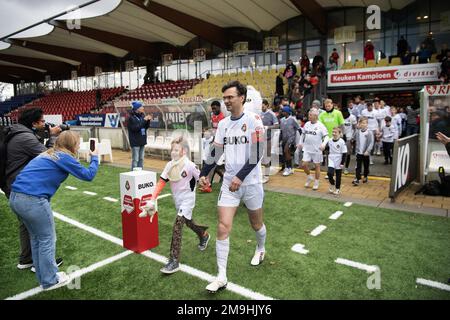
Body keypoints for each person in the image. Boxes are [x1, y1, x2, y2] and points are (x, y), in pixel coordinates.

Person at [198, 81, 266, 293]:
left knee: (256, 225)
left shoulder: (255, 121)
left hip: (251, 182)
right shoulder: (224, 125)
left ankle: (261, 248)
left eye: (230, 97)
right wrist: (203, 174)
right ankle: (221, 276)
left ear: (242, 98)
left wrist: (241, 176)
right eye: (224, 97)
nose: (226, 101)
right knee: (222, 226)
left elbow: (258, 154)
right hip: (229, 183)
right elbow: (215, 153)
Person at [9, 131, 99, 290]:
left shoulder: (48, 153)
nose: (79, 146)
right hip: (32, 200)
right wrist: (95, 157)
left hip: (15, 197)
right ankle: (50, 280)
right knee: (47, 239)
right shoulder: (64, 157)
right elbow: (88, 175)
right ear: (72, 144)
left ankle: (44, 277)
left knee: (37, 239)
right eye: (78, 143)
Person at [140, 136, 210, 274]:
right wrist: (152, 199)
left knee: (177, 225)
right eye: (172, 149)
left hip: (188, 199)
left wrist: (204, 182)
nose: (173, 152)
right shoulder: (170, 165)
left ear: (183, 151)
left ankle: (174, 261)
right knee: (189, 223)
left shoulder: (190, 166)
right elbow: (161, 182)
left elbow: (201, 179)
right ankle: (203, 235)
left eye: (176, 149)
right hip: (178, 201)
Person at [4, 107, 63, 272]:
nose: (45, 124)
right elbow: (50, 155)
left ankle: (26, 259)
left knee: (25, 224)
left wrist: (46, 133)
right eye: (42, 121)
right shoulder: (25, 137)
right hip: (23, 189)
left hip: (13, 185)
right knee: (42, 230)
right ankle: (42, 265)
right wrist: (52, 136)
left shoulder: (17, 132)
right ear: (33, 123)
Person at [298, 109, 329, 191]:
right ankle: (309, 177)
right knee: (304, 165)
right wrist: (300, 142)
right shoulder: (307, 124)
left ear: (315, 116)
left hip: (317, 150)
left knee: (317, 166)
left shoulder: (321, 125)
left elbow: (326, 136)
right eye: (309, 114)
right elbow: (303, 134)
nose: (309, 116)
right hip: (307, 149)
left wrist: (323, 144)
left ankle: (316, 181)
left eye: (310, 115)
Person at [128, 101, 152, 170]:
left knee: (141, 158)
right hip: (135, 142)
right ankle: (133, 174)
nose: (143, 108)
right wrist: (144, 120)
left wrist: (148, 121)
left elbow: (145, 127)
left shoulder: (142, 116)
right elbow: (136, 128)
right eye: (141, 107)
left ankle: (140, 173)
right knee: (135, 159)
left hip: (142, 141)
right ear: (137, 108)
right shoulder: (131, 118)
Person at [260, 99, 279, 183]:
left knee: (266, 157)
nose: (261, 107)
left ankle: (266, 176)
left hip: (268, 138)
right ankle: (260, 175)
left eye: (263, 106)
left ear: (267, 106)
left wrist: (268, 127)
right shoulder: (259, 113)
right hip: (258, 139)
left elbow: (277, 125)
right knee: (258, 158)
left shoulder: (271, 114)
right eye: (261, 106)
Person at [325, 127, 347, 195]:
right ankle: (332, 183)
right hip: (331, 157)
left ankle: (337, 189)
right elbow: (327, 148)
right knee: (329, 173)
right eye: (333, 132)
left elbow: (344, 153)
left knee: (338, 175)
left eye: (335, 132)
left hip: (339, 158)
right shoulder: (330, 140)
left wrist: (342, 163)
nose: (334, 133)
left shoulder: (341, 142)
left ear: (339, 134)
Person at [352, 117, 374, 186]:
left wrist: (368, 151)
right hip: (359, 152)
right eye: (362, 123)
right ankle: (357, 179)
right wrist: (357, 128)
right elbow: (354, 137)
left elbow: (371, 142)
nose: (363, 124)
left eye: (365, 123)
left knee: (366, 166)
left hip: (366, 153)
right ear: (360, 124)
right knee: (358, 166)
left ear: (367, 124)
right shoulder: (358, 132)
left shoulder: (369, 132)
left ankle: (365, 176)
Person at [280, 105, 300, 177]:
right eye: (282, 111)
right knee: (285, 153)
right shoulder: (281, 120)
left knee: (286, 151)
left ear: (287, 112)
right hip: (284, 139)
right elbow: (281, 131)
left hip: (291, 138)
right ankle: (291, 168)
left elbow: (298, 128)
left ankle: (287, 168)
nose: (282, 112)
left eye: (284, 111)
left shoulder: (292, 119)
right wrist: (280, 140)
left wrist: (299, 140)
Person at [342, 107, 357, 175]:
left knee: (348, 153)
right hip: (341, 137)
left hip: (349, 137)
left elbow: (355, 128)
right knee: (340, 153)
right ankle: (339, 166)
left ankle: (346, 168)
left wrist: (353, 137)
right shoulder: (340, 117)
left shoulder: (352, 117)